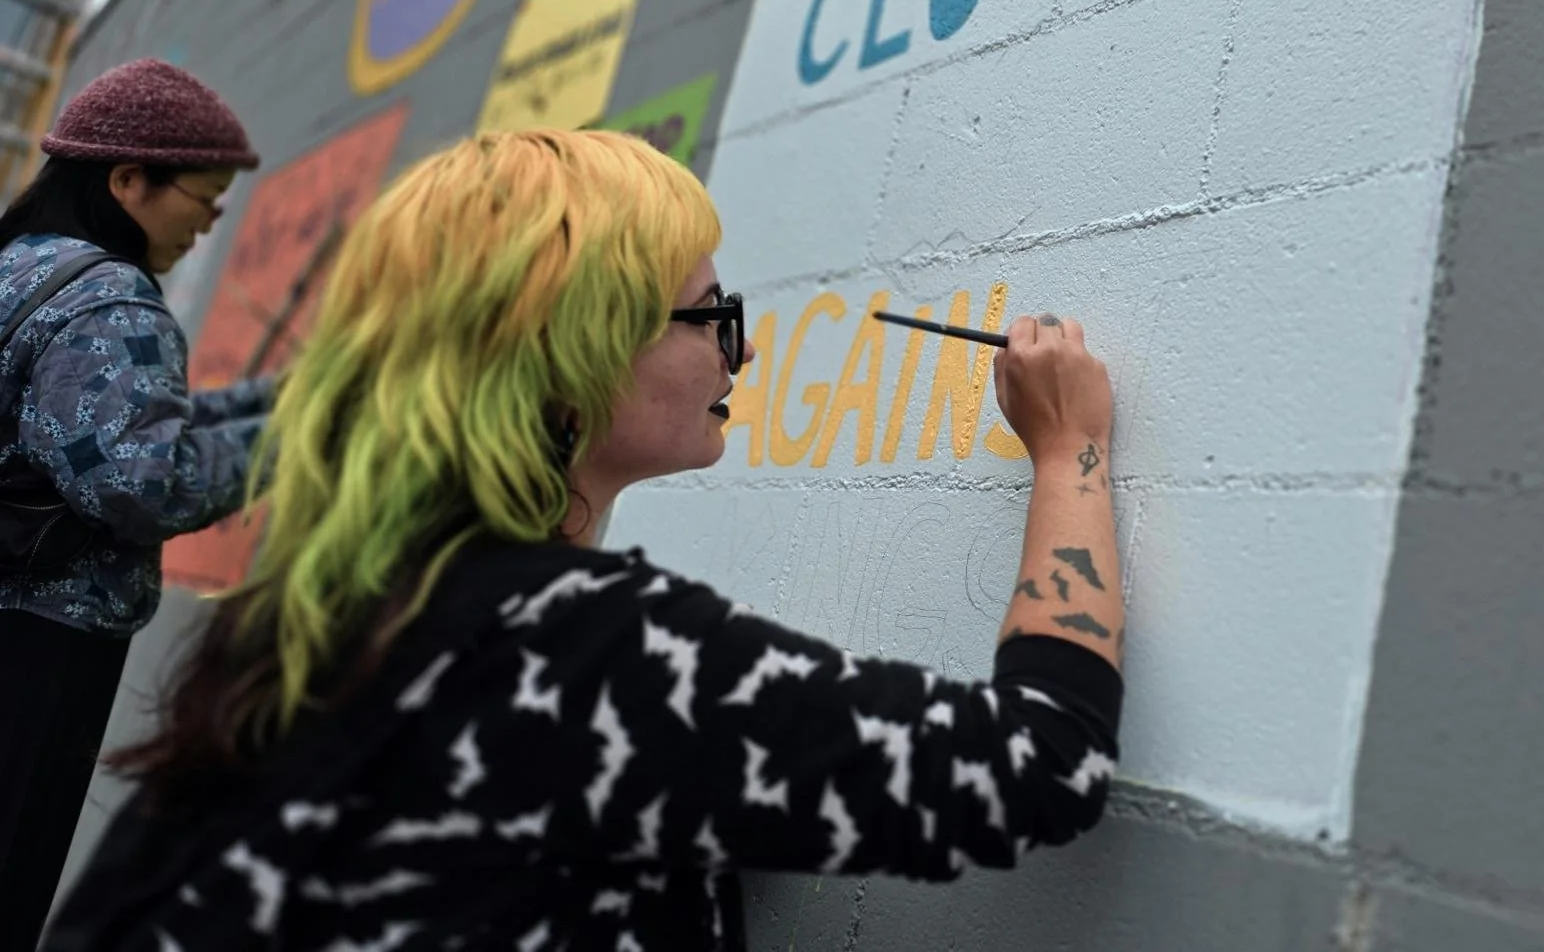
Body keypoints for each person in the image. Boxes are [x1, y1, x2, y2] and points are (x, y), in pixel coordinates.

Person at [46, 129, 1125, 950]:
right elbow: (1038, 760)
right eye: (712, 317)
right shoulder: (578, 650)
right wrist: (1069, 444)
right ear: (575, 358)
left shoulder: (332, 607)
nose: (736, 355)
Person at [0, 58, 276, 947]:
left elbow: (106, 430)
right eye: (203, 196)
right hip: (37, 652)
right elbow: (139, 477)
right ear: (129, 181)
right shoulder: (110, 299)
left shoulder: (23, 269)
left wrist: (292, 400)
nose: (207, 223)